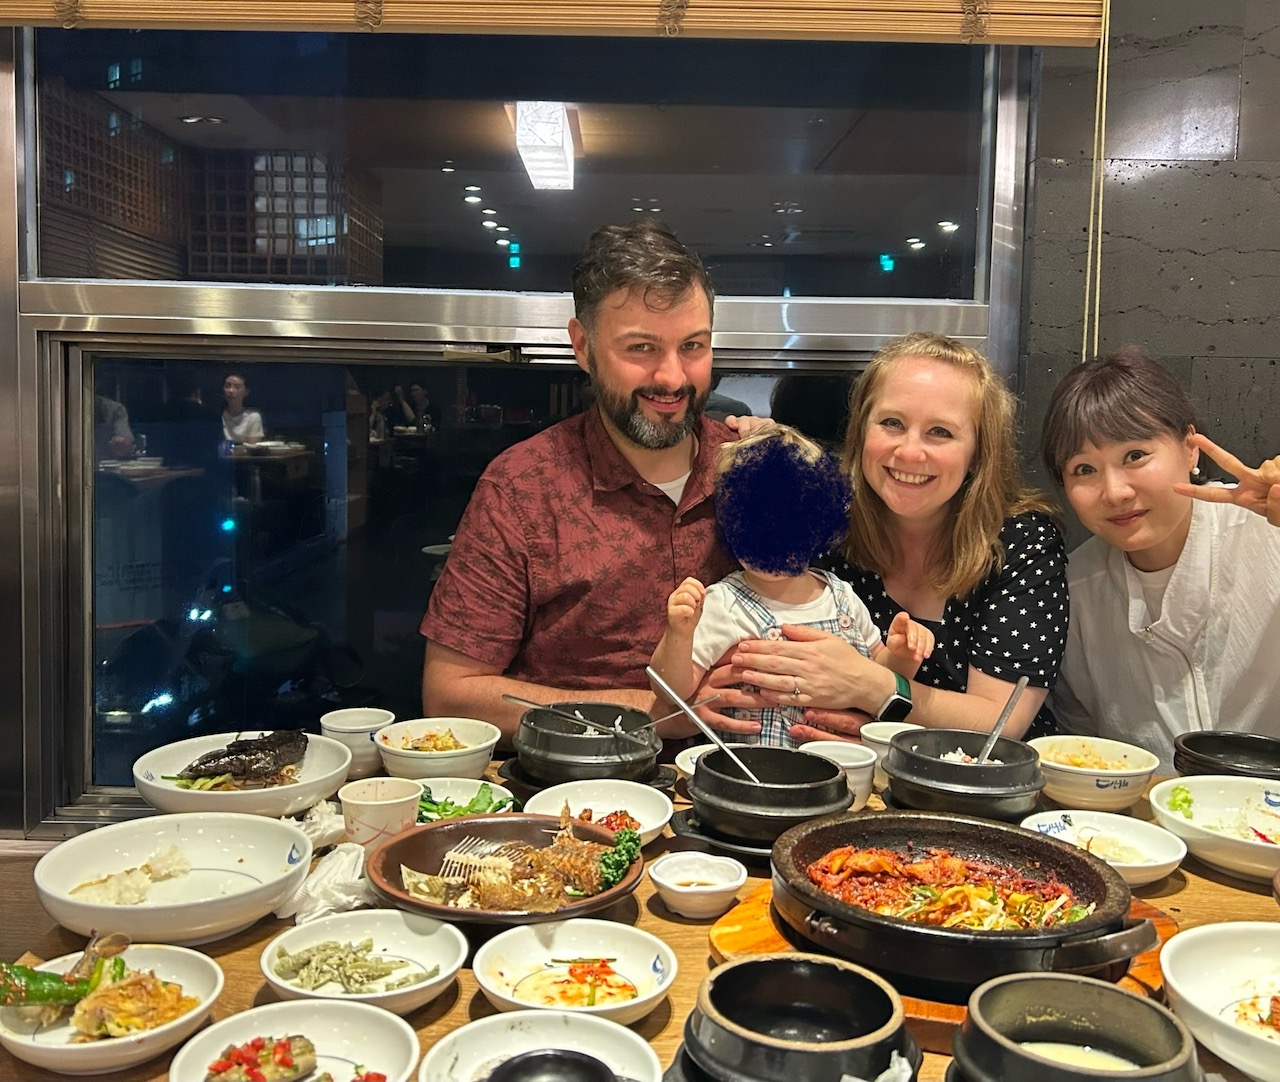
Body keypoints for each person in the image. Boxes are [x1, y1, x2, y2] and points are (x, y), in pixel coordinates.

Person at [420, 220, 738, 740]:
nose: (673, 377)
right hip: (570, 791)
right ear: (583, 346)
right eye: (640, 349)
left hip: (752, 782)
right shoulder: (522, 487)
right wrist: (650, 712)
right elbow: (451, 693)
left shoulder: (752, 469)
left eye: (693, 346)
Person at [697, 332, 1068, 743]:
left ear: (979, 452)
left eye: (940, 432)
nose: (910, 452)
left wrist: (875, 691)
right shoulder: (826, 524)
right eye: (892, 423)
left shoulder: (1020, 542)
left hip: (981, 783)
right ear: (861, 429)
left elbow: (1003, 721)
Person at [1041, 347, 1280, 770]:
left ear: (1190, 450)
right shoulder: (1074, 592)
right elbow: (1082, 750)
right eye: (1084, 470)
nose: (1115, 492)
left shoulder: (1267, 533)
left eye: (1134, 456)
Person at [650, 423, 934, 747]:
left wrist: (903, 656)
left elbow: (880, 675)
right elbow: (672, 692)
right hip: (750, 779)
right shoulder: (723, 604)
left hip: (842, 774)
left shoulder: (843, 597)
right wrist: (679, 635)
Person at [221, 371, 264, 445]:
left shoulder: (253, 417)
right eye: (227, 386)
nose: (231, 390)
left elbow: (252, 447)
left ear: (246, 392)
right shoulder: (216, 415)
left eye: (237, 387)